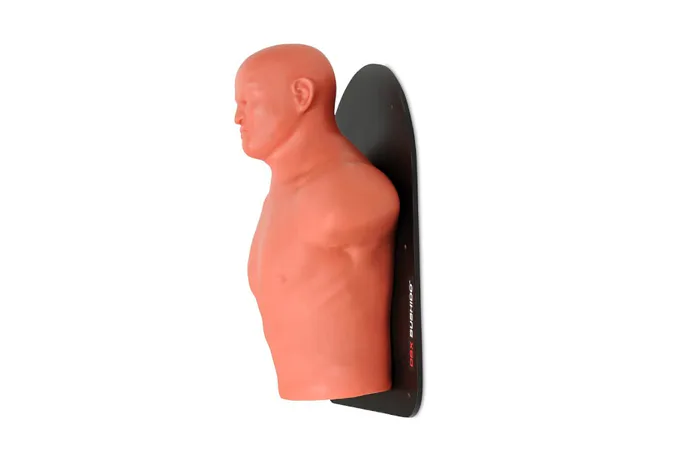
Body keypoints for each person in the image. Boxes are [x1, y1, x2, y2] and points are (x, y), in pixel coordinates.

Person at [234, 44, 400, 400]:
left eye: (248, 102)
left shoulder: (345, 190)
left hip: (356, 381)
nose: (237, 117)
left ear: (301, 95)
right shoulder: (276, 202)